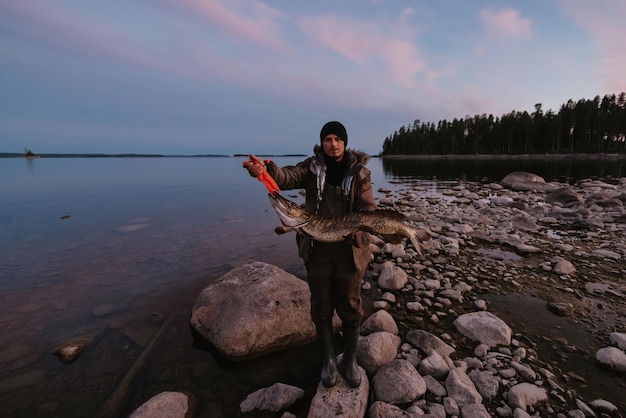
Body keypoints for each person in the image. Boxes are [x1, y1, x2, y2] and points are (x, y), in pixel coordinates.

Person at [244, 121, 377, 388]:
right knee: (321, 305)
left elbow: (368, 208)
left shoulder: (360, 173)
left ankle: (349, 360)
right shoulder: (311, 166)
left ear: (344, 142)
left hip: (350, 250)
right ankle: (329, 360)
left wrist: (369, 224)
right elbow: (286, 177)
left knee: (351, 306)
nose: (333, 143)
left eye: (338, 139)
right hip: (317, 250)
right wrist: (265, 170)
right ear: (323, 142)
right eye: (328, 139)